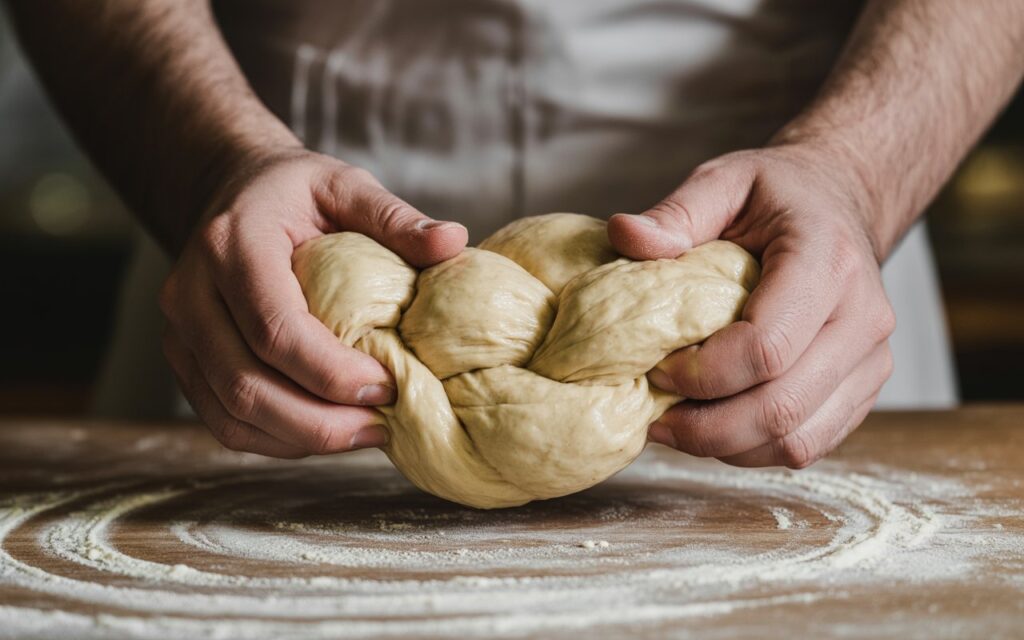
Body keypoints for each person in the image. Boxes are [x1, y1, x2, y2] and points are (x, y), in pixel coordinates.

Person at [7, 1, 1023, 466]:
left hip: (793, 278)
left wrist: (858, 167)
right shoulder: (227, 195)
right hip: (266, 266)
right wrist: (208, 166)